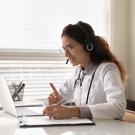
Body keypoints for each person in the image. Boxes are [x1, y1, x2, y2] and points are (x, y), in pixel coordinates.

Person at [43, 21, 127, 120]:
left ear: (88, 45)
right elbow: (57, 97)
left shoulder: (107, 69)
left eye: (70, 47)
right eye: (64, 49)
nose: (66, 54)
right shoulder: (78, 73)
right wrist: (52, 101)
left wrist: (73, 111)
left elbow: (118, 107)